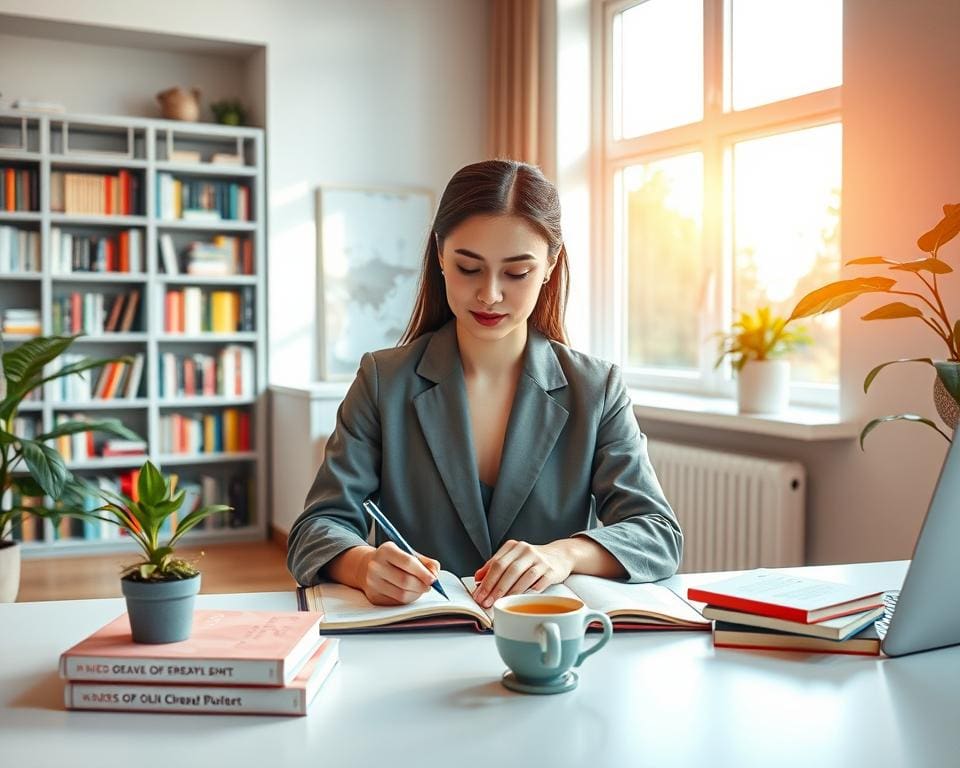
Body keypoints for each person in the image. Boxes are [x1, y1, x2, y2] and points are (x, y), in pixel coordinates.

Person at [287, 159, 682, 608]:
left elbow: (657, 534)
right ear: (440, 255)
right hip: (418, 636)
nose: (490, 294)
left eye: (517, 273)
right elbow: (315, 528)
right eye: (469, 268)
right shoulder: (383, 381)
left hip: (549, 641)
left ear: (551, 265)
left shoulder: (596, 388)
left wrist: (565, 554)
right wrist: (362, 564)